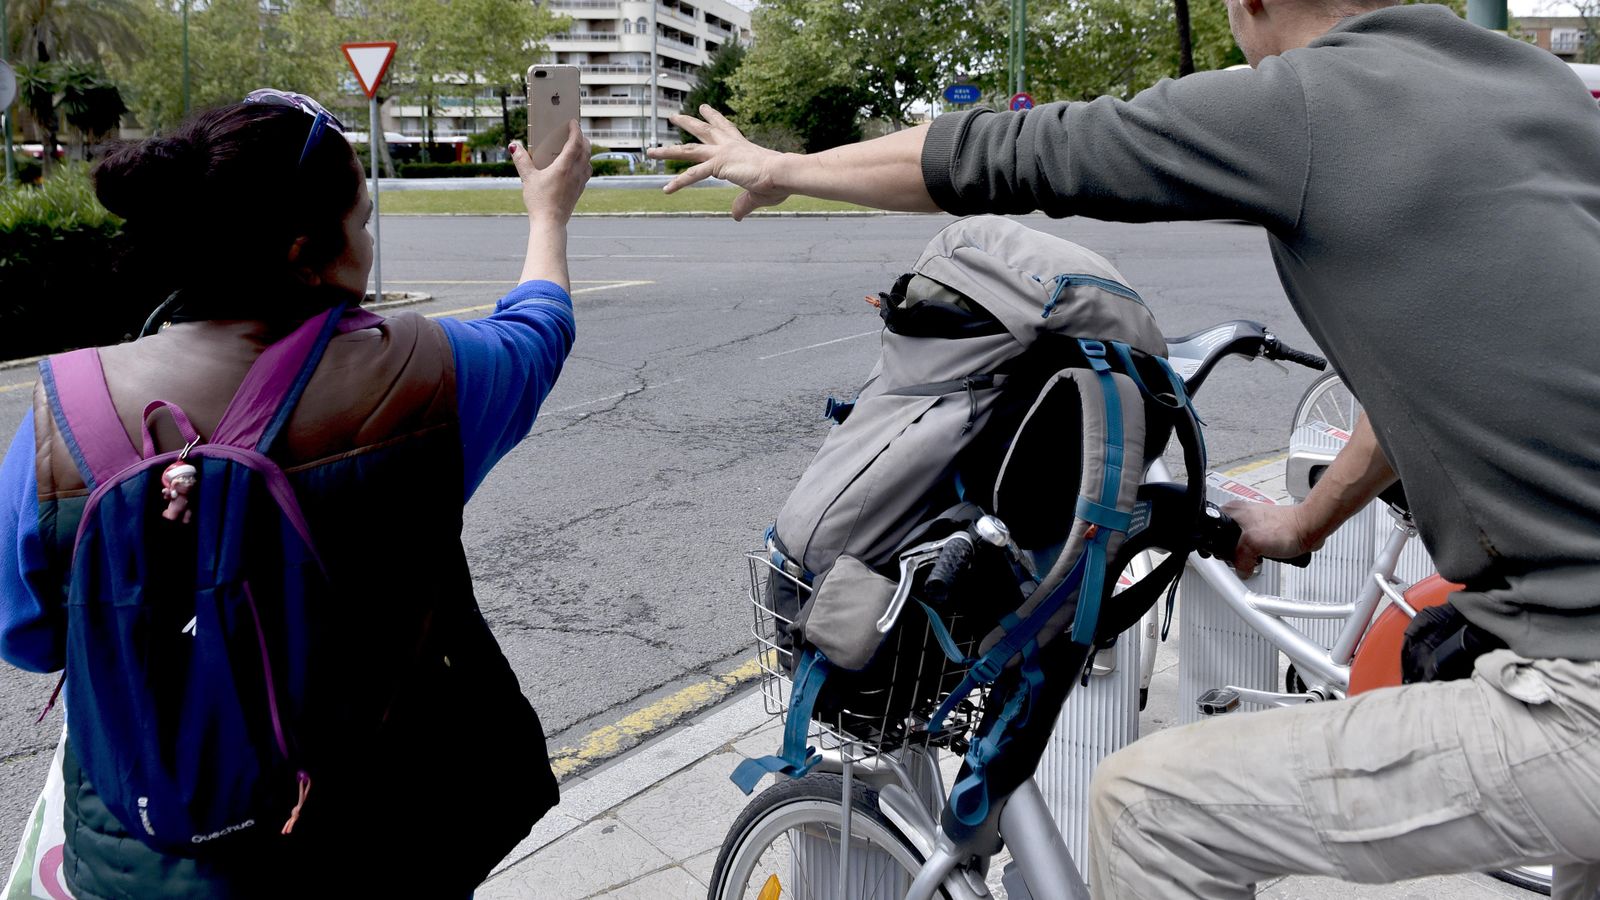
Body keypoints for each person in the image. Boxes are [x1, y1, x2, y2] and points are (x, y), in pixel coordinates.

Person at [650, 0, 1600, 896]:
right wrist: (1302, 522)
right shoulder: (1538, 89)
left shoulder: (1308, 103)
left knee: (1151, 810)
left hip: (1582, 683)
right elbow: (1432, 375)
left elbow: (1007, 154)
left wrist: (779, 168)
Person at [0, 91, 591, 898]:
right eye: (365, 219)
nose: (372, 241)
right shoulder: (427, 375)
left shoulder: (57, 418)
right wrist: (548, 215)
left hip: (145, 862)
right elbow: (539, 328)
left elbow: (30, 638)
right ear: (310, 254)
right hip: (379, 843)